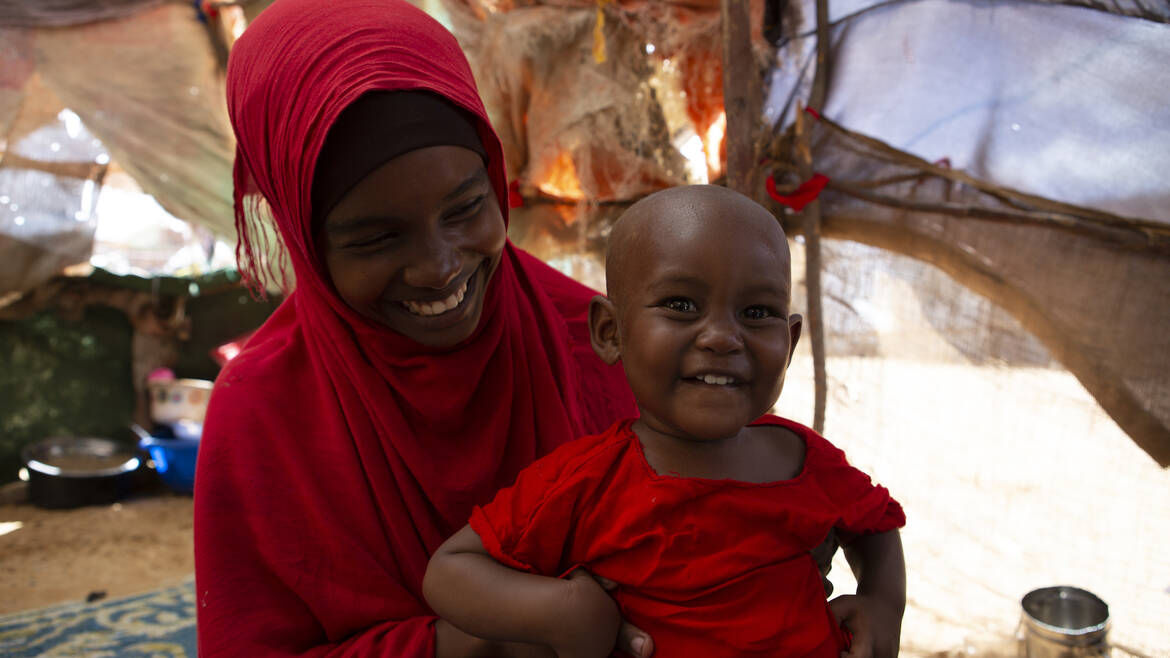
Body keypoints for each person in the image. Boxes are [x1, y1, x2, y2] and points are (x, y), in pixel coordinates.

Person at [193, 0, 649, 655]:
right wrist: (476, 640)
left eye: (466, 207)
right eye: (377, 238)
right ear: (304, 238)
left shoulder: (598, 343)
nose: (440, 270)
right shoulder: (263, 414)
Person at [423, 185, 908, 658]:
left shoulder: (804, 460)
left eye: (757, 312)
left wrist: (883, 605)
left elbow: (877, 524)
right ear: (610, 332)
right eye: (681, 305)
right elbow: (450, 571)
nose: (722, 337)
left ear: (791, 339)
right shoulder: (586, 480)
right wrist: (562, 610)